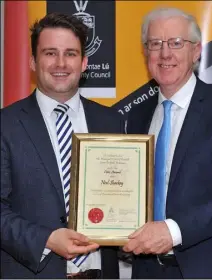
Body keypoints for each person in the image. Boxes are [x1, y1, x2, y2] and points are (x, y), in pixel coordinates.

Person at [1, 13, 126, 279]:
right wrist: (46, 239)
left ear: (84, 63)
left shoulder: (112, 121)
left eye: (70, 53)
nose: (60, 63)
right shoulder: (5, 124)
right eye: (50, 53)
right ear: (33, 61)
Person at [123, 7, 212, 279]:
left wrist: (172, 231)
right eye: (155, 44)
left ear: (196, 51)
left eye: (176, 43)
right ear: (145, 53)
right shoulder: (137, 116)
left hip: (208, 270)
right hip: (146, 269)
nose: (165, 54)